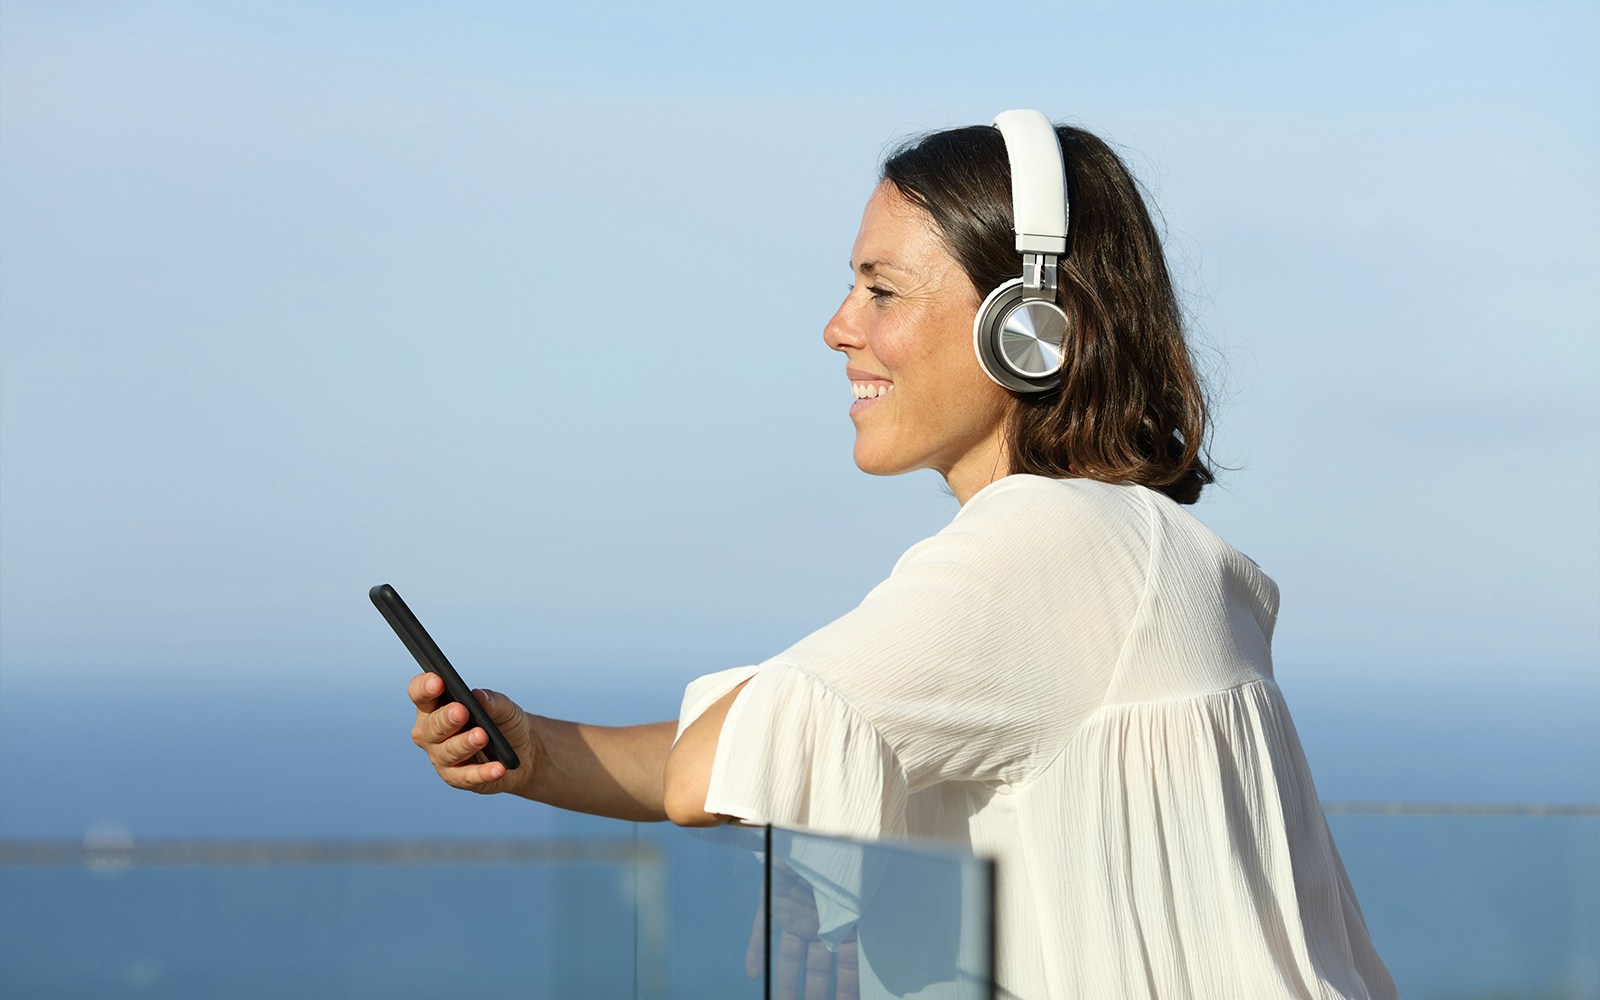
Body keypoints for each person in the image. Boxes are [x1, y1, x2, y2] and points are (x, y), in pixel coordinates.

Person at [406, 111, 1398, 999]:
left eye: (880, 290)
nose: (839, 327)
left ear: (1028, 330)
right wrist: (530, 746)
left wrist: (849, 870)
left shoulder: (1040, 547)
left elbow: (713, 767)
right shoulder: (1151, 546)